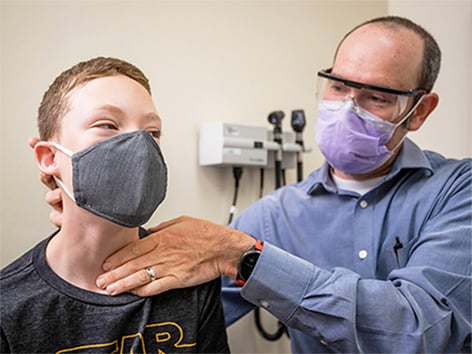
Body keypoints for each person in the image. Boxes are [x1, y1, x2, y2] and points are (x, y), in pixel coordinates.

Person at [42, 16, 471, 353]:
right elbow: (173, 293)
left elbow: (421, 332)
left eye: (376, 96)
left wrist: (244, 258)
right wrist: (90, 229)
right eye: (339, 87)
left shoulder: (458, 189)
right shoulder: (276, 214)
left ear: (419, 110)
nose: (347, 108)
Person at [0, 57, 229, 353]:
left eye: (152, 133)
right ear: (49, 158)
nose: (139, 147)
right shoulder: (9, 308)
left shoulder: (189, 278)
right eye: (108, 125)